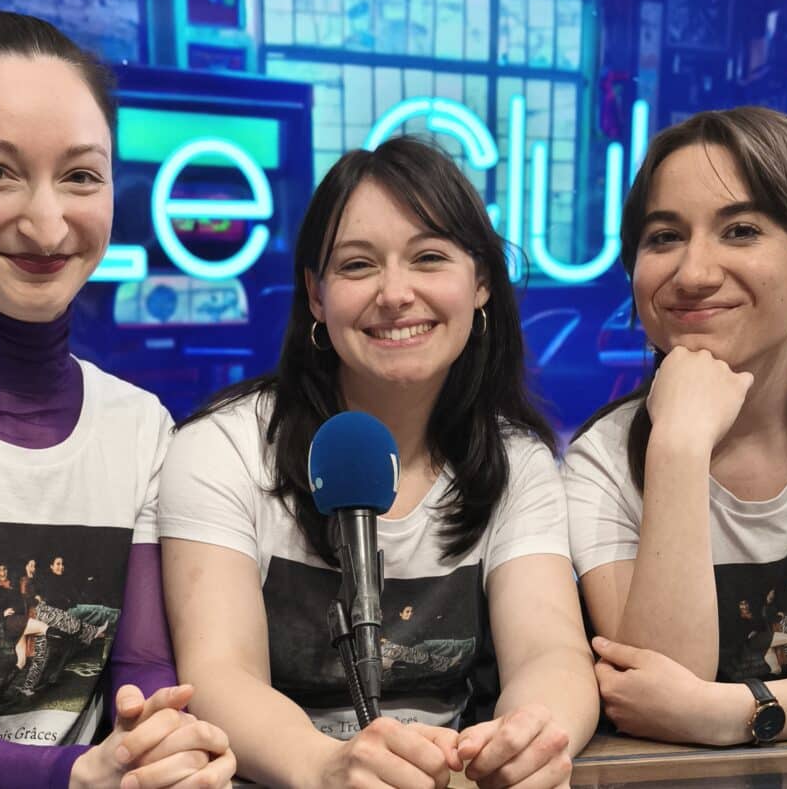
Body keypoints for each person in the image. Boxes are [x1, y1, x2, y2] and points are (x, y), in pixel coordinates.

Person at [0, 9, 235, 788]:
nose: (46, 221)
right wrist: (75, 775)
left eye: (80, 176)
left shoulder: (141, 427)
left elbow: (142, 671)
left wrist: (161, 745)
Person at [159, 136, 599, 787]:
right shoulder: (224, 447)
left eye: (429, 257)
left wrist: (531, 737)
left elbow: (550, 651)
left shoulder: (516, 460)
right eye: (358, 265)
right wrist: (325, 766)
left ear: (480, 282)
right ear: (316, 294)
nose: (395, 293)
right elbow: (219, 672)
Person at [565, 106, 787, 745]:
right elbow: (658, 693)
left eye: (740, 230)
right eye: (663, 237)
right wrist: (679, 446)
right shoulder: (603, 460)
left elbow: (691, 707)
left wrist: (741, 711)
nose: (694, 274)